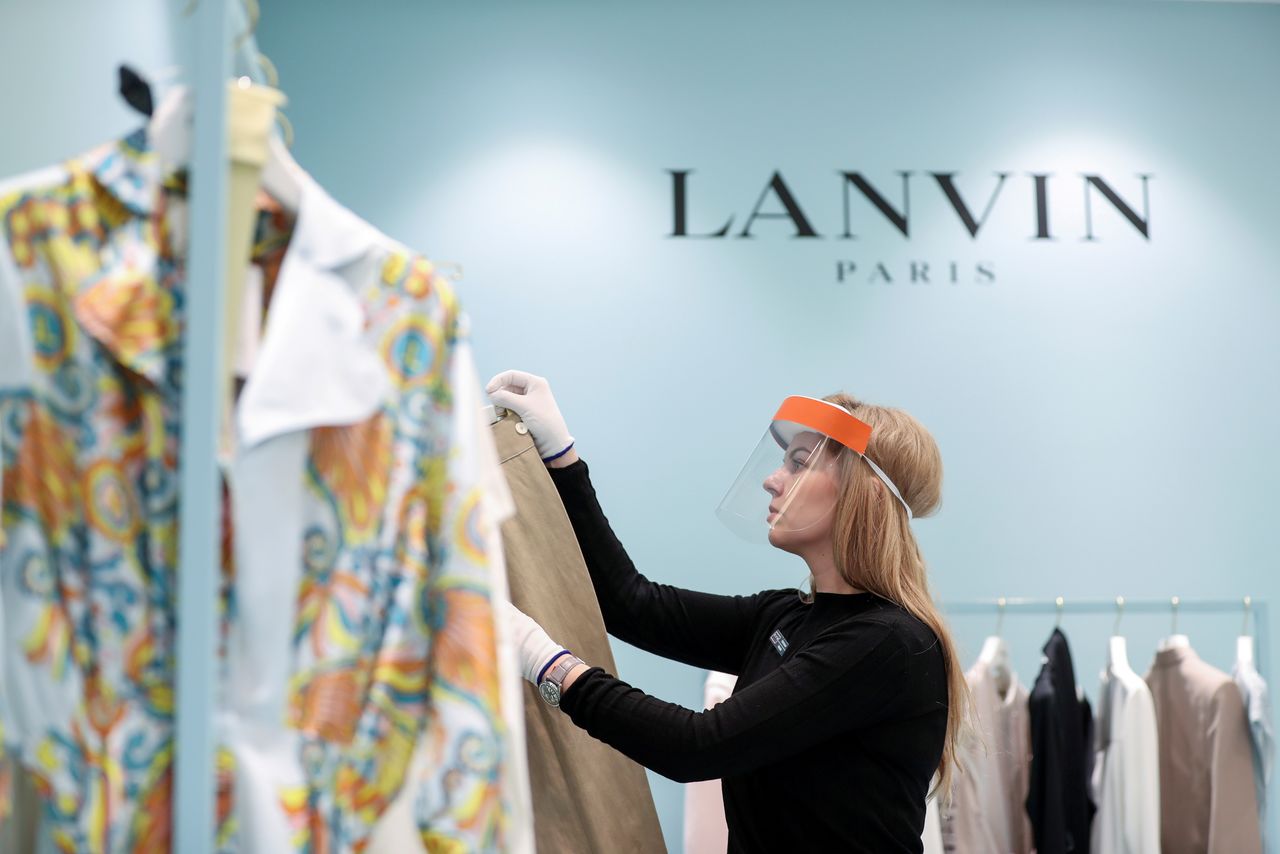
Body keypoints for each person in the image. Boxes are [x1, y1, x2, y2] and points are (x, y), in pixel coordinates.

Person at [486, 370, 970, 854]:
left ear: (867, 492)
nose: (771, 480)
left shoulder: (889, 643)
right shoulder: (785, 616)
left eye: (800, 463)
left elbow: (697, 746)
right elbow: (631, 604)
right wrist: (562, 456)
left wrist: (543, 661)